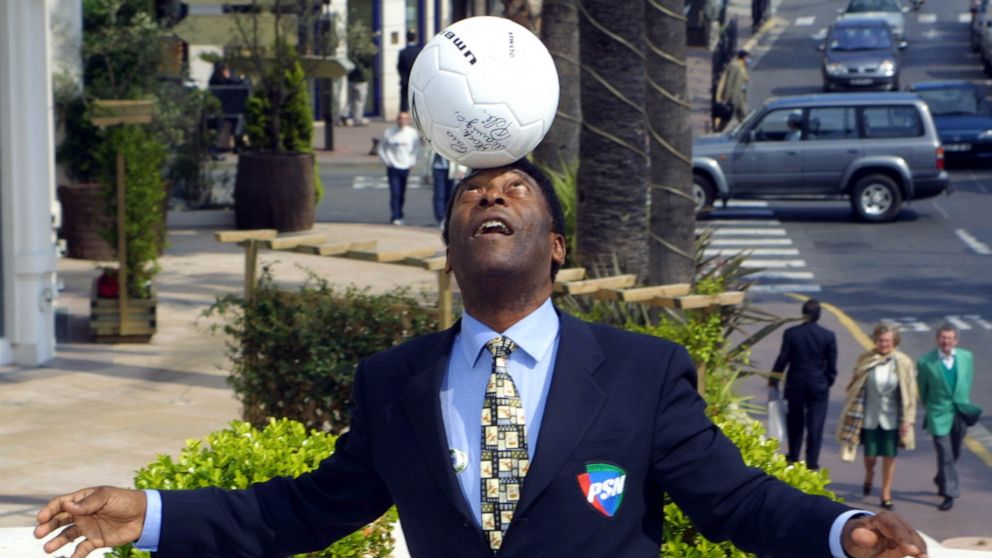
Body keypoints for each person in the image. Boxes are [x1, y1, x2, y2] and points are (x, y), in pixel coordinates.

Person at [36, 160, 929, 558]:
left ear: (555, 244)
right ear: (453, 246)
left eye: (515, 190)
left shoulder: (641, 372)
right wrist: (146, 516)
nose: (491, 196)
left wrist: (839, 531)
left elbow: (733, 501)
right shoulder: (395, 383)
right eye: (472, 192)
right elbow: (297, 512)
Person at [837, 324, 917, 511]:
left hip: (892, 418)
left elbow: (910, 392)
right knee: (870, 455)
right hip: (869, 416)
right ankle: (869, 474)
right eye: (880, 340)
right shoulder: (866, 359)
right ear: (875, 341)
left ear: (894, 342)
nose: (884, 344)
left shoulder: (903, 362)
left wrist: (908, 420)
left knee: (889, 456)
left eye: (887, 341)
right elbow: (854, 383)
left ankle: (885, 493)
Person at [769, 299, 837, 470]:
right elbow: (831, 365)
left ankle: (793, 456)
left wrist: (774, 378)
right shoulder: (828, 336)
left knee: (795, 421)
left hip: (796, 383)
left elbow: (783, 358)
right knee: (816, 424)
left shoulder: (791, 333)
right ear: (819, 315)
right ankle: (812, 462)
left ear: (803, 314)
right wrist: (827, 381)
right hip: (818, 384)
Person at [917, 325, 978, 511]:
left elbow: (967, 381)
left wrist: (963, 402)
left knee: (956, 452)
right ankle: (949, 494)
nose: (946, 341)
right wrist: (932, 409)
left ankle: (941, 478)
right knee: (945, 454)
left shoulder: (966, 357)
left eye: (950, 338)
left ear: (956, 341)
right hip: (938, 414)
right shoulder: (926, 362)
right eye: (943, 338)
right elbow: (923, 391)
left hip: (960, 412)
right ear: (937, 339)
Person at [377, 111, 422, 225]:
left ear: (408, 120)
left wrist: (412, 161)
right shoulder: (389, 132)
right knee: (395, 193)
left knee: (402, 193)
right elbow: (381, 148)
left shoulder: (412, 133)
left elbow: (416, 149)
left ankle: (400, 213)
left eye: (405, 118)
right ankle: (395, 215)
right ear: (397, 120)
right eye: (400, 118)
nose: (402, 121)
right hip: (393, 166)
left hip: (405, 166)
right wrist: (387, 162)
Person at [430, 150, 467, 228]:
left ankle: (448, 217)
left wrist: (462, 168)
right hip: (437, 167)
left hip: (451, 169)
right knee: (439, 194)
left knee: (450, 194)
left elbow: (461, 151)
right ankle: (440, 218)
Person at [715, 49, 750, 132]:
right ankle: (717, 132)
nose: (748, 60)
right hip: (733, 97)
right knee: (726, 118)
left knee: (744, 116)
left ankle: (746, 131)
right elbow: (729, 83)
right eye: (747, 58)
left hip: (740, 96)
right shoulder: (734, 66)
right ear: (743, 57)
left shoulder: (743, 67)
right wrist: (725, 98)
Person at [397, 31, 421, 112]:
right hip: (416, 81)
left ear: (406, 39)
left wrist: (403, 76)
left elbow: (399, 67)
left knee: (404, 99)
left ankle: (404, 115)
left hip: (405, 80)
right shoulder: (419, 52)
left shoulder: (402, 52)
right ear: (415, 38)